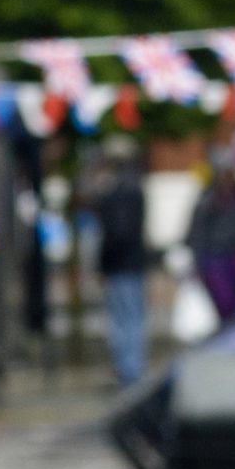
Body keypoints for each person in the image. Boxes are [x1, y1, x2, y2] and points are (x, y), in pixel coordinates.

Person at [89, 139, 151, 386]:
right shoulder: (134, 190)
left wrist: (103, 264)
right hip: (129, 265)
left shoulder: (119, 193)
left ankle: (130, 374)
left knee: (126, 321)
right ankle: (130, 371)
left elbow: (117, 234)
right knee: (130, 319)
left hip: (122, 266)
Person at [186, 163, 235, 325]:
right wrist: (198, 266)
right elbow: (197, 236)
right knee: (225, 306)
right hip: (216, 260)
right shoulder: (207, 202)